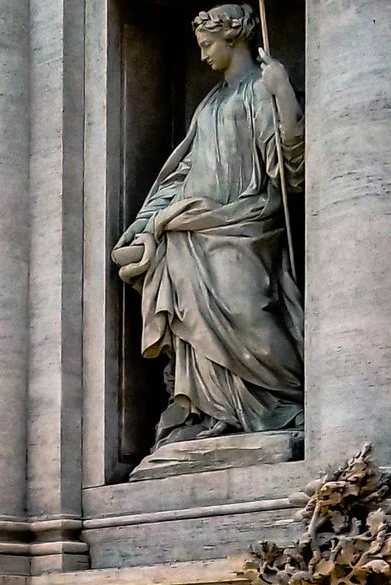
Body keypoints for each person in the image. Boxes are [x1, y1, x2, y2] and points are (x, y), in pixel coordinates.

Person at [113, 3, 306, 447]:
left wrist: (285, 98)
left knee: (247, 312)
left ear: (233, 38)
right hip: (191, 229)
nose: (201, 56)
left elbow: (291, 169)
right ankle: (217, 410)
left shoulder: (262, 88)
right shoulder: (210, 103)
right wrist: (144, 225)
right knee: (194, 324)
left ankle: (286, 401)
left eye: (207, 45)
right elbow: (181, 175)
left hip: (246, 223)